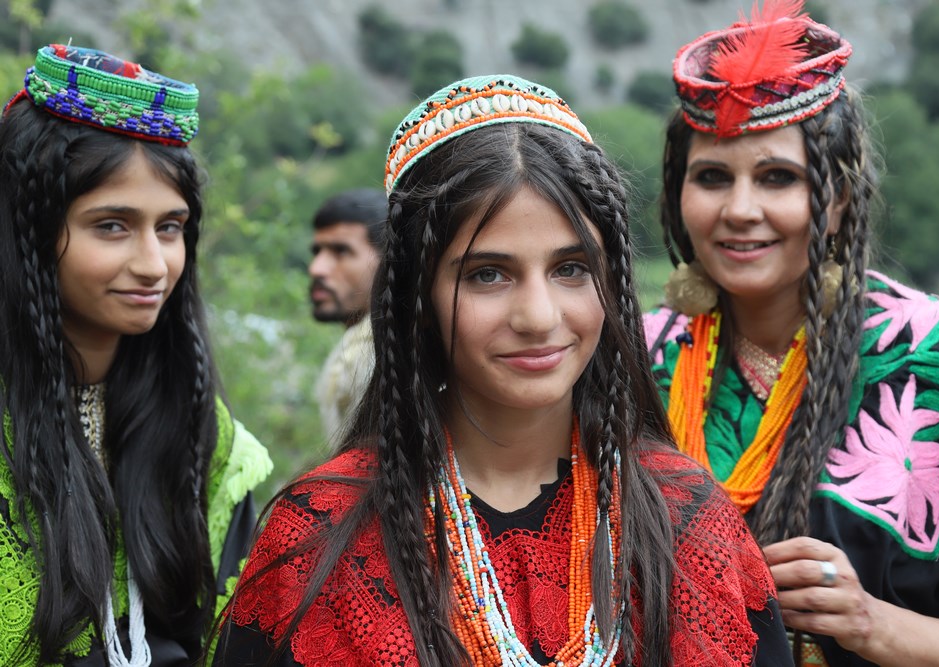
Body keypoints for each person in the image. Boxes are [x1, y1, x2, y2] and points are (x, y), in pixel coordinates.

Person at [213, 75, 794, 666]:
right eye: (488, 274)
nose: (539, 317)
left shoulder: (687, 522)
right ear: (420, 295)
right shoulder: (319, 538)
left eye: (571, 268)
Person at [643, 2, 939, 665]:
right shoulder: (637, 362)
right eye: (712, 177)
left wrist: (874, 625)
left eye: (777, 177)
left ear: (836, 199)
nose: (739, 210)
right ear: (678, 195)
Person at [0, 44, 273, 665]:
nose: (154, 265)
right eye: (112, 226)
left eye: (170, 227)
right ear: (30, 231)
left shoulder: (214, 446)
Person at [308, 188, 385, 443]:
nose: (316, 268)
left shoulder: (383, 355)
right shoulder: (358, 345)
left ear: (388, 260)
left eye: (340, 251)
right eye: (317, 252)